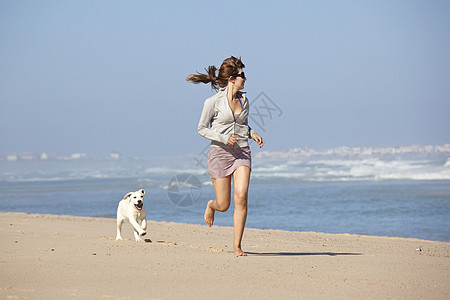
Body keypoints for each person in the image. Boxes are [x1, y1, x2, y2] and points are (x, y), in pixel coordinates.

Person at [186, 56, 264, 256]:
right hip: (220, 154)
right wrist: (222, 138)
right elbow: (201, 128)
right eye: (242, 75)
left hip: (242, 152)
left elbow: (243, 126)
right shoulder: (213, 102)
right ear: (231, 78)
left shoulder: (244, 100)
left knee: (242, 196)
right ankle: (211, 206)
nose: (245, 79)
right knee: (224, 204)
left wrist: (252, 134)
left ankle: (237, 245)